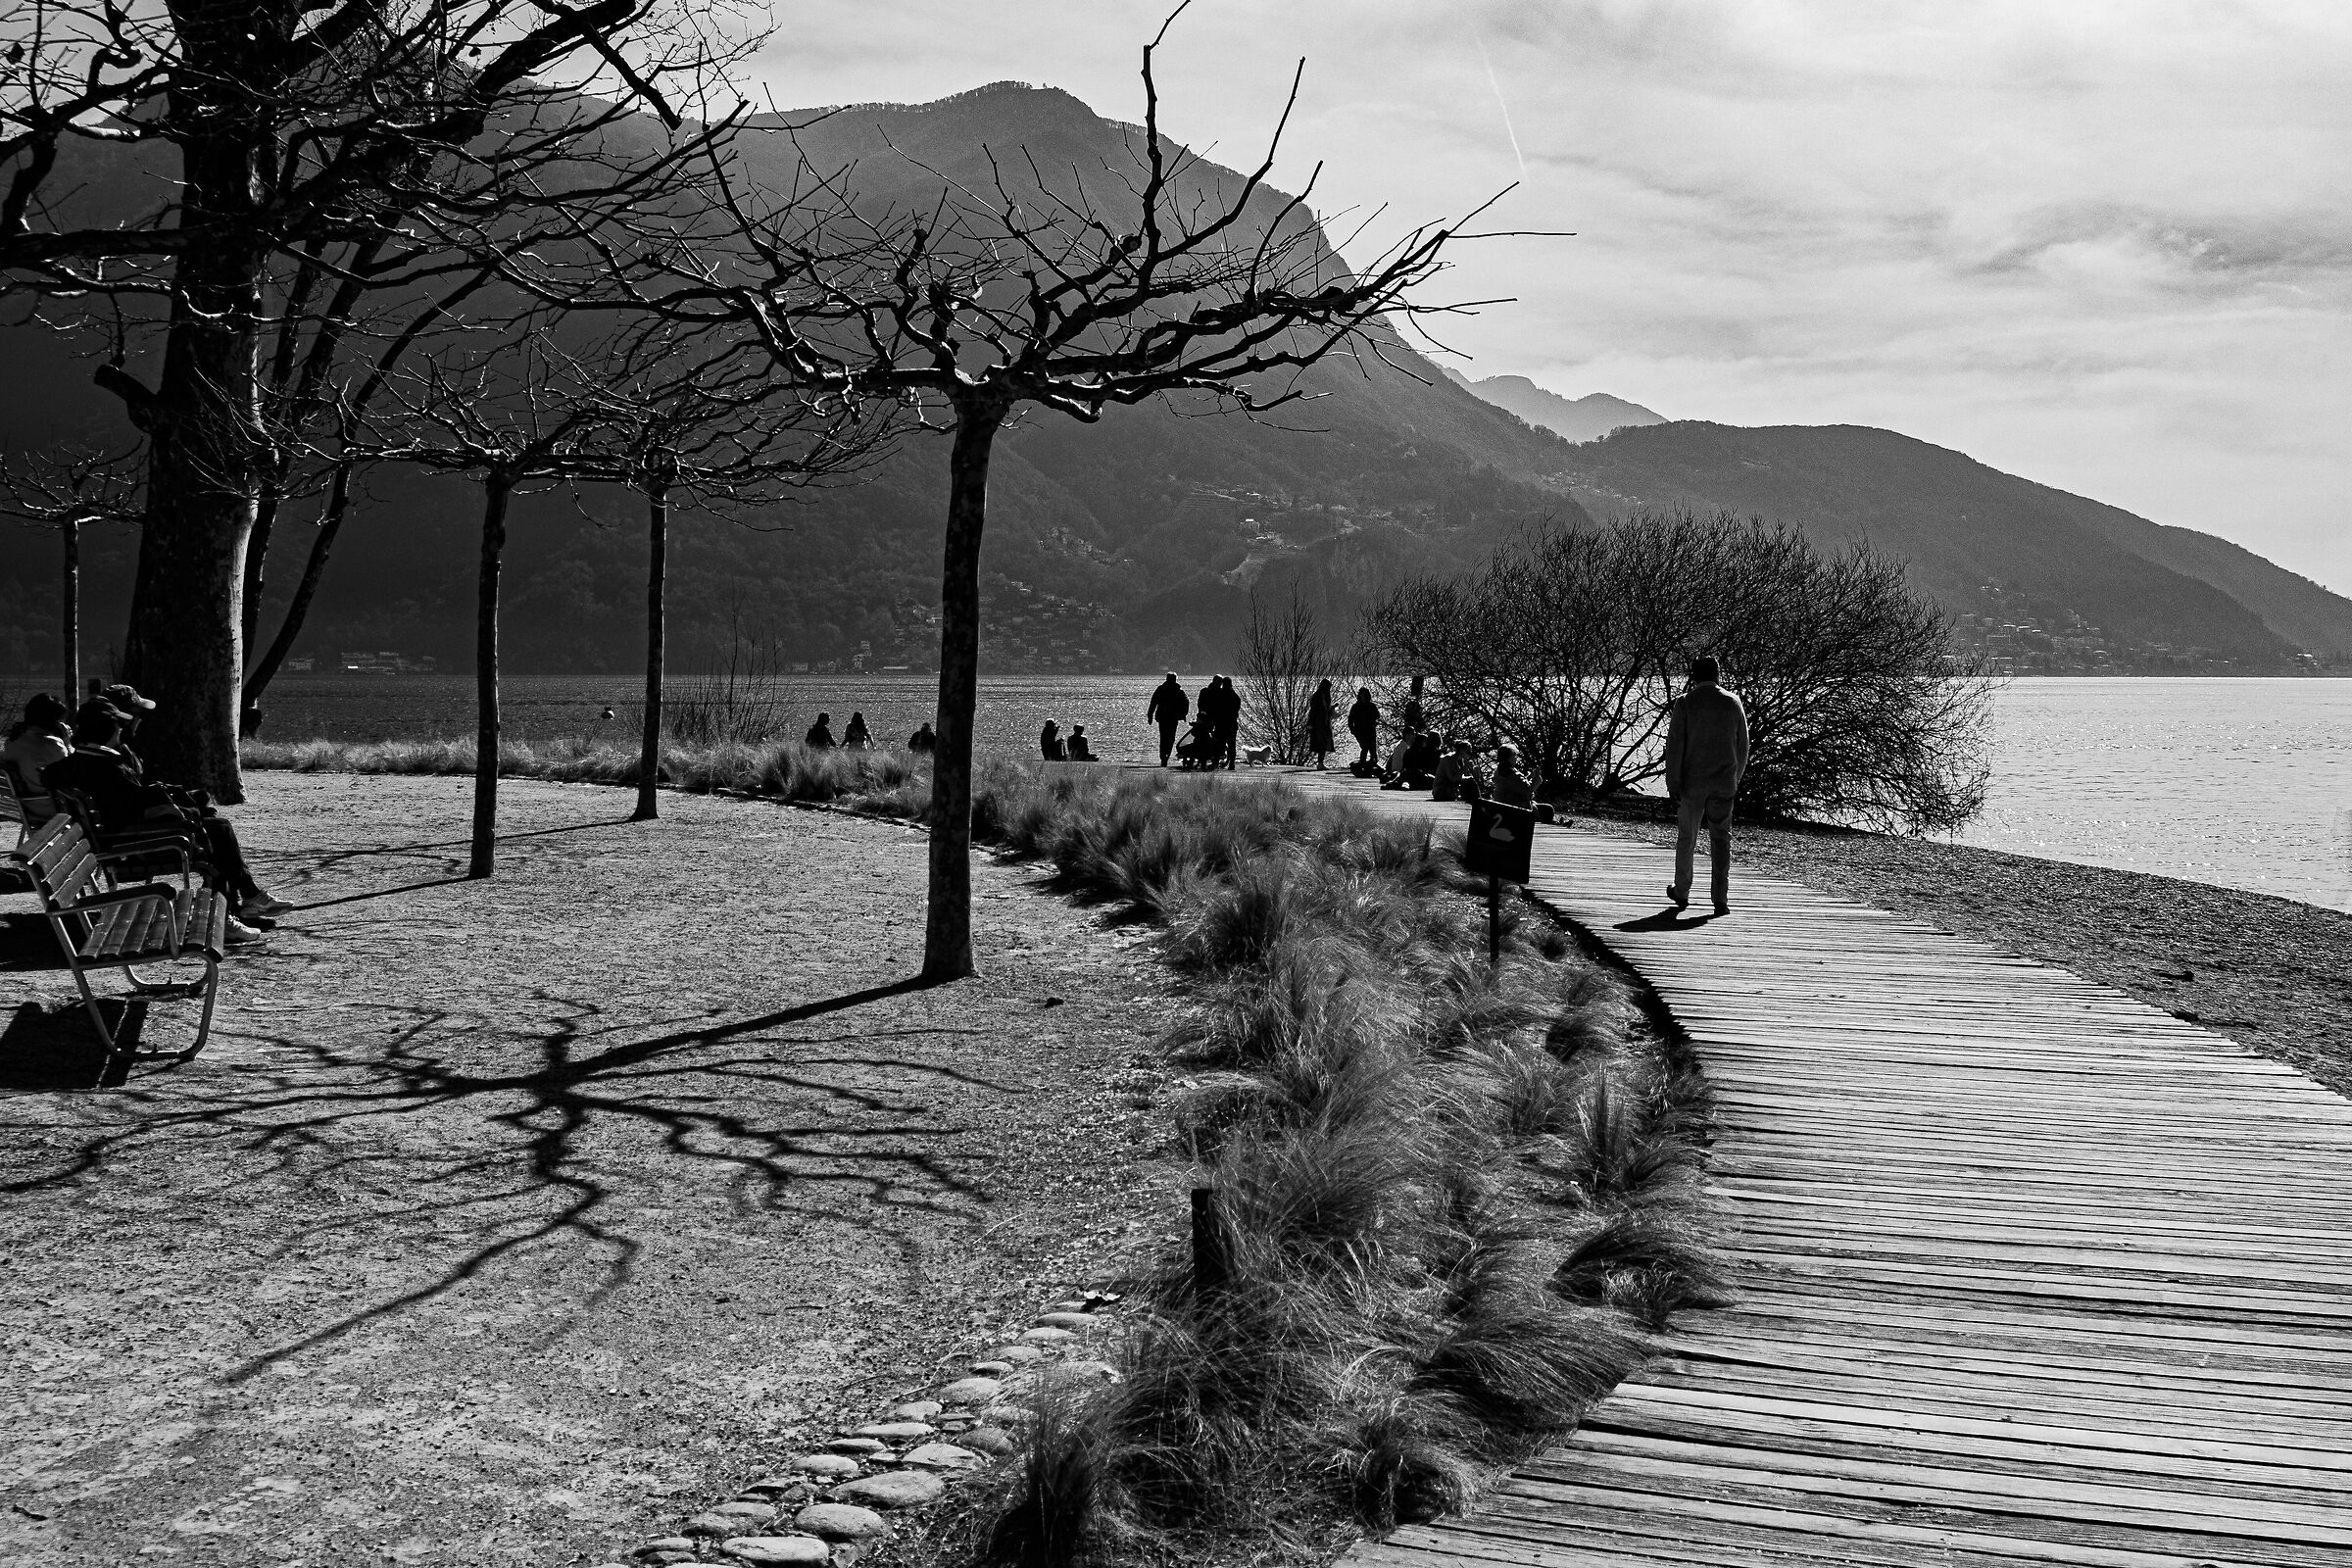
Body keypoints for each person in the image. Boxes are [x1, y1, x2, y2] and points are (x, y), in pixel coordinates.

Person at [44, 708, 272, 939]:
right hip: (134, 845)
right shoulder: (110, 768)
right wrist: (188, 812)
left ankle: (237, 906)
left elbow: (128, 799)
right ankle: (225, 917)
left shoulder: (70, 766)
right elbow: (136, 806)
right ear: (108, 733)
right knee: (218, 830)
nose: (121, 731)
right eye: (118, 728)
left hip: (106, 839)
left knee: (214, 826)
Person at [1664, 655, 1750, 916]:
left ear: (1694, 675)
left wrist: (1673, 783)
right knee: (1721, 840)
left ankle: (1682, 890)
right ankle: (1720, 898)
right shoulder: (1732, 702)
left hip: (1692, 783)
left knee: (1687, 837)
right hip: (1723, 782)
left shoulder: (1685, 703)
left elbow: (1675, 747)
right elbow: (1743, 745)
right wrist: (1736, 778)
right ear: (1718, 674)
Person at [3, 693, 74, 821]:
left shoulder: (12, 742)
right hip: (55, 808)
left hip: (27, 808)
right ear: (53, 721)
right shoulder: (52, 745)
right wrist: (67, 742)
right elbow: (74, 771)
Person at [1488, 742, 1557, 822]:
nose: (1516, 757)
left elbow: (1518, 786)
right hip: (1515, 808)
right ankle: (1550, 825)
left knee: (1546, 809)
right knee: (1548, 809)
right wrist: (1536, 777)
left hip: (1505, 804)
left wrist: (1530, 776)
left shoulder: (1500, 771)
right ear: (1508, 757)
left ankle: (1554, 823)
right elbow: (1527, 789)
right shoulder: (1511, 773)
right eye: (1514, 754)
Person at [1147, 673, 1190, 767]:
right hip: (1172, 718)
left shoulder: (1161, 689)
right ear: (1175, 679)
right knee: (1170, 738)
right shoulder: (1178, 690)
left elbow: (1153, 703)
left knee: (1164, 738)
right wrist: (1183, 714)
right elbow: (1186, 702)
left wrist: (1150, 715)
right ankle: (1165, 756)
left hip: (1164, 718)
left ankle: (1164, 757)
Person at [1431, 738, 1483, 803]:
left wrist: (1474, 774)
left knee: (1470, 781)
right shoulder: (1449, 759)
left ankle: (1477, 802)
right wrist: (1465, 768)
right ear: (1461, 750)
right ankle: (1478, 802)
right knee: (1469, 782)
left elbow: (1460, 777)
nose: (1469, 755)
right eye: (1468, 752)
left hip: (1449, 789)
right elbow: (1452, 778)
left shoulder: (1460, 760)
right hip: (1441, 791)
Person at [1348, 686, 1381, 769]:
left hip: (1370, 731)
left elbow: (1377, 716)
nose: (1364, 697)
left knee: (1373, 750)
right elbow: (1350, 719)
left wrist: (1373, 720)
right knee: (1365, 746)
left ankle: (1372, 765)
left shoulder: (1372, 706)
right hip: (1359, 731)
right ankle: (1362, 764)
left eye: (1365, 695)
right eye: (1362, 695)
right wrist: (1352, 729)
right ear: (1360, 696)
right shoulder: (1356, 706)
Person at [1305, 679, 1336, 769]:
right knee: (1321, 743)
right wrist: (1310, 724)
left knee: (1324, 742)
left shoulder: (1325, 697)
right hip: (1318, 724)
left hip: (1325, 723)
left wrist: (1332, 708)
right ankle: (1320, 763)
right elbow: (1313, 711)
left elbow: (1327, 711)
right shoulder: (1317, 696)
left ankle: (1320, 762)